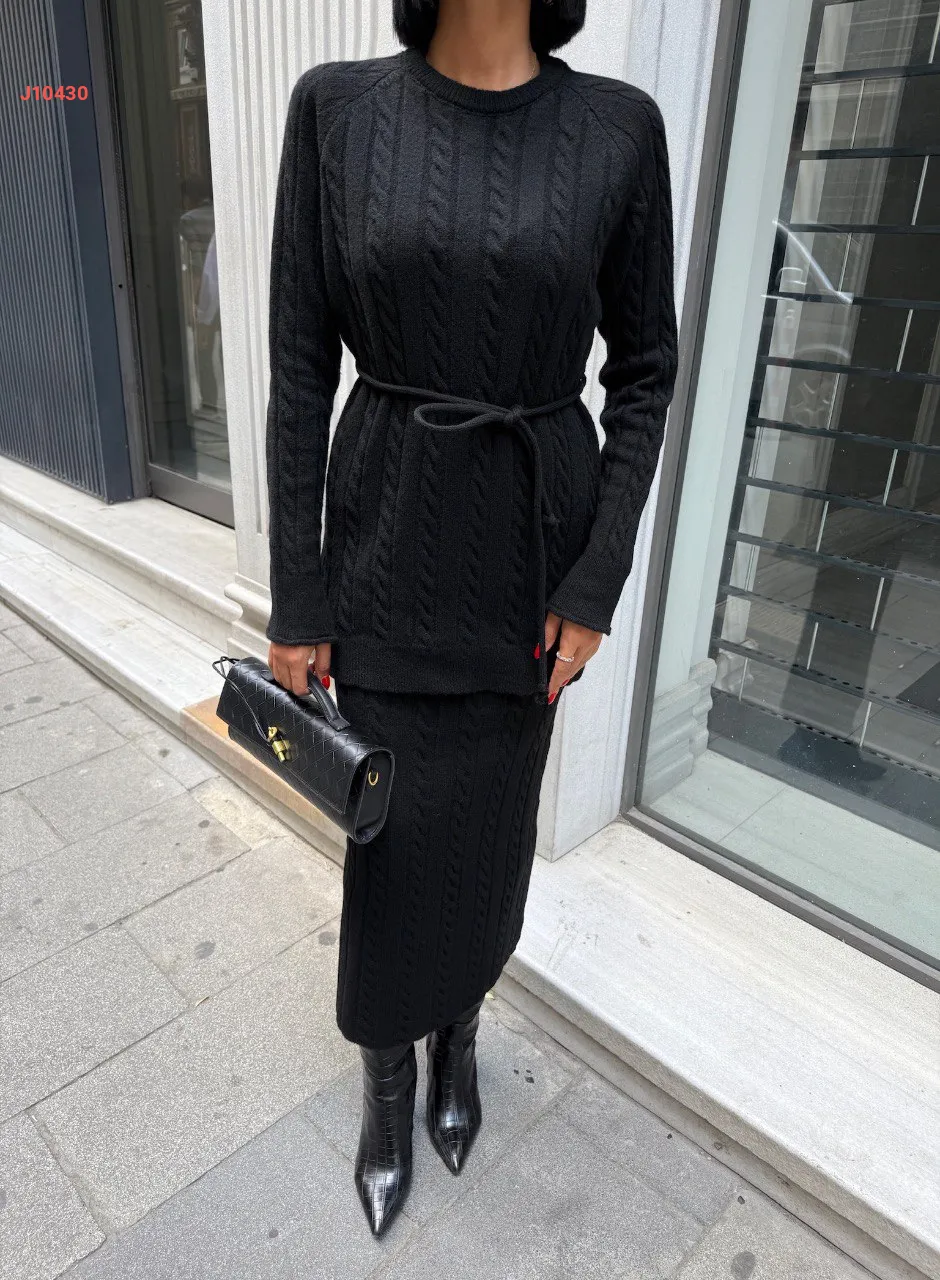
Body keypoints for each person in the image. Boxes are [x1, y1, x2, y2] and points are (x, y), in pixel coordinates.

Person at [264, 0, 678, 1236]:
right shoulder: (337, 111)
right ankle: (389, 1080)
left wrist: (594, 581)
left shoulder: (618, 129)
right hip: (386, 544)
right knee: (392, 838)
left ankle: (460, 1037)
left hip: (528, 563)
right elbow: (298, 369)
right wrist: (298, 592)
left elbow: (644, 369)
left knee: (493, 830)